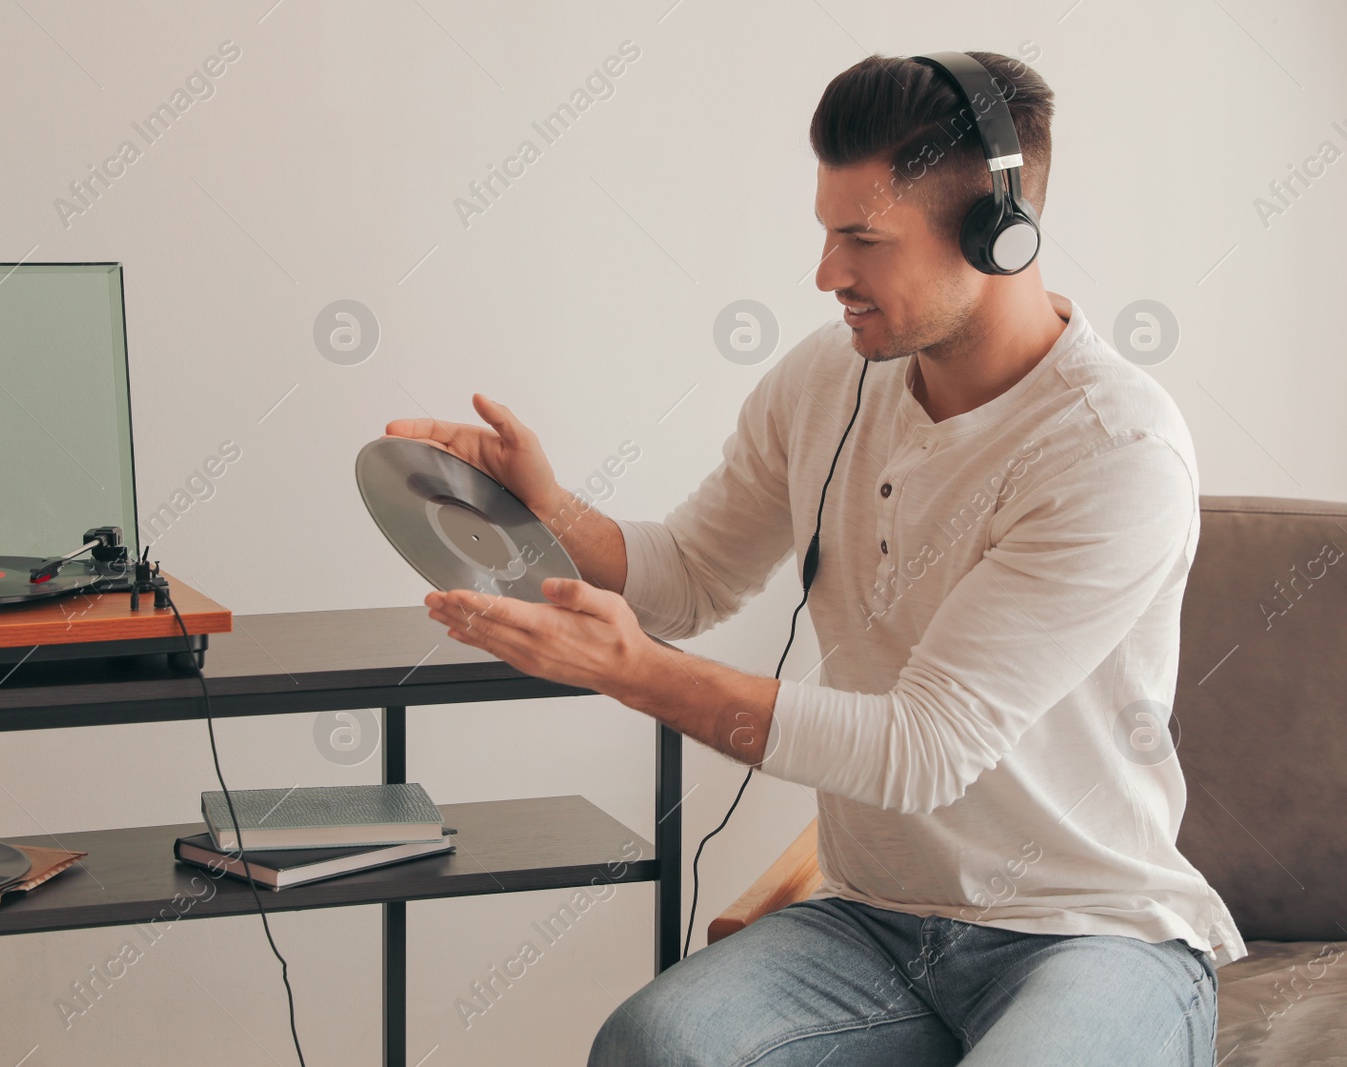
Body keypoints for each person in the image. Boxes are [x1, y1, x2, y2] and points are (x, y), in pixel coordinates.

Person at [387, 49, 1241, 1066]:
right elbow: (688, 575)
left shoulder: (1111, 450)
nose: (827, 272)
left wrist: (634, 673)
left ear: (995, 236)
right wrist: (550, 507)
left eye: (861, 239)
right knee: (653, 1046)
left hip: (1092, 933)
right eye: (826, 232)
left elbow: (924, 747)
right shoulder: (824, 382)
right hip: (873, 922)